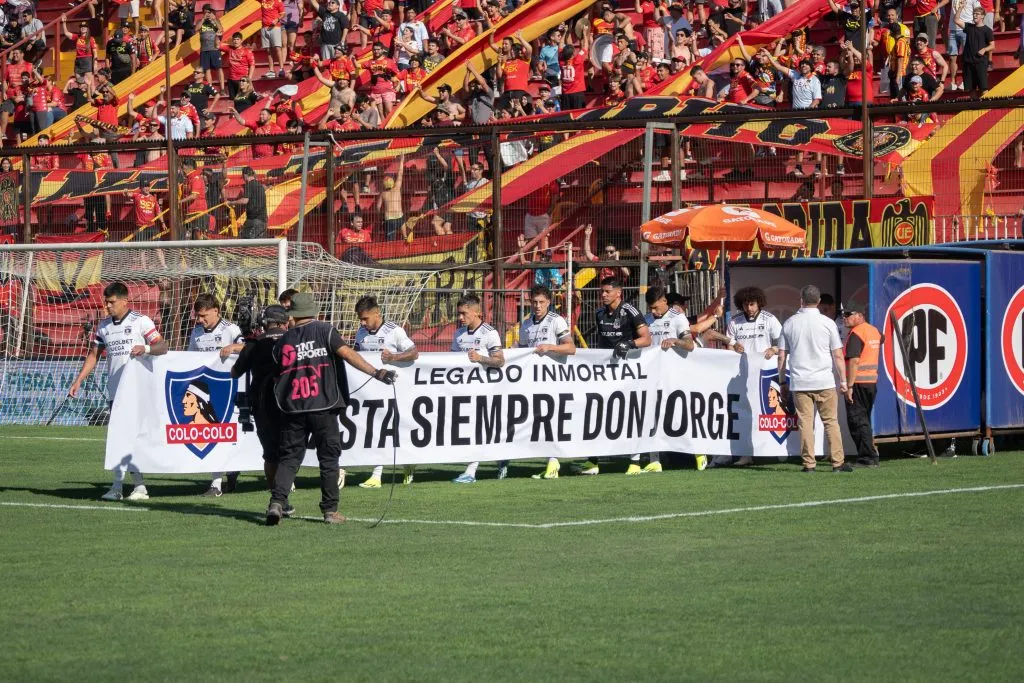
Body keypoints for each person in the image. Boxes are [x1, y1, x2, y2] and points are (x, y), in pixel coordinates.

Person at [267, 292, 396, 525]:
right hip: (323, 406)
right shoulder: (325, 331)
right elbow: (347, 354)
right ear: (313, 311)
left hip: (293, 408)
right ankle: (330, 511)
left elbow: (276, 375)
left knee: (289, 458)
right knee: (328, 459)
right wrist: (376, 373)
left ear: (294, 314)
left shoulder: (283, 342)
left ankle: (276, 503)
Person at [69, 282, 168, 501]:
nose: (108, 306)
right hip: (116, 392)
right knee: (121, 438)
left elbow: (164, 346)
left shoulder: (140, 321)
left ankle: (125, 486)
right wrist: (78, 381)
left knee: (127, 437)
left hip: (139, 391)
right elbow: (94, 355)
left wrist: (146, 348)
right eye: (106, 302)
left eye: (112, 302)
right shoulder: (104, 326)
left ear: (125, 301)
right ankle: (134, 486)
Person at [581, 276, 652, 476]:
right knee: (597, 412)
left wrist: (629, 344)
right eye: (602, 291)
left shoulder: (630, 311)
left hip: (630, 371)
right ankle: (593, 461)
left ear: (618, 293)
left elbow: (647, 339)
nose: (603, 295)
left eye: (607, 291)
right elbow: (602, 345)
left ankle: (635, 462)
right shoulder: (599, 313)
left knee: (631, 413)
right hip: (607, 372)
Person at [777, 285, 851, 473]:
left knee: (805, 424)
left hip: (800, 382)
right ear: (818, 301)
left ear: (801, 300)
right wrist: (843, 381)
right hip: (824, 380)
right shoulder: (828, 323)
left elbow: (781, 356)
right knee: (831, 422)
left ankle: (809, 464)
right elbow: (838, 355)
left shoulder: (789, 323)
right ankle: (837, 462)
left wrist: (782, 382)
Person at [352, 294, 419, 489]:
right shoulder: (361, 333)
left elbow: (414, 352)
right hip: (369, 389)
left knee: (394, 428)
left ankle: (406, 464)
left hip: (392, 388)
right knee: (375, 428)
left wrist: (394, 357)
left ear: (377, 313)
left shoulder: (394, 331)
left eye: (365, 318)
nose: (363, 323)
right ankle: (377, 474)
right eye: (361, 319)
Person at [231, 305, 291, 512]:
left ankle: (277, 500)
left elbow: (235, 372)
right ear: (286, 322)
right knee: (290, 452)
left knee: (270, 453)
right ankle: (281, 499)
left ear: (265, 322)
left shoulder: (254, 344)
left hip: (262, 401)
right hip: (292, 400)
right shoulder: (295, 340)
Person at [187, 293, 245, 496]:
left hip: (229, 389)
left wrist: (232, 347)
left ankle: (231, 469)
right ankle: (216, 484)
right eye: (198, 316)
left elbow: (246, 347)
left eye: (204, 316)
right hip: (207, 391)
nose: (201, 320)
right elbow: (189, 360)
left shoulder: (230, 329)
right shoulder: (196, 333)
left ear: (216, 311)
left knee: (228, 434)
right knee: (213, 433)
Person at [517, 284, 576, 480]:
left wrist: (550, 347)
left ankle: (553, 461)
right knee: (537, 419)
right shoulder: (525, 324)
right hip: (532, 379)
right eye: (534, 302)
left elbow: (571, 347)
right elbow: (522, 352)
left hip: (553, 377)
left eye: (541, 302)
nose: (537, 306)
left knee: (550, 417)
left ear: (549, 303)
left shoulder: (556, 321)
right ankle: (550, 461)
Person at [720, 285, 782, 466]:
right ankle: (746, 454)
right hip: (742, 376)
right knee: (745, 414)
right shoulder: (735, 321)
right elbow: (729, 345)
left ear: (759, 303)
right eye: (746, 305)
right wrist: (733, 348)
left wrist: (773, 349)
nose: (749, 308)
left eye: (752, 304)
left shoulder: (770, 319)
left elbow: (782, 342)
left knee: (766, 413)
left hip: (764, 374)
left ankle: (773, 450)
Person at [450, 293, 506, 484]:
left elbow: (500, 361)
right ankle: (502, 459)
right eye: (459, 314)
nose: (460, 318)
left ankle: (471, 471)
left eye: (464, 313)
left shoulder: (489, 333)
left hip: (486, 389)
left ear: (476, 313)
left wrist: (481, 358)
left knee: (481, 427)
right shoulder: (458, 334)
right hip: (464, 390)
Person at [643, 285, 694, 473]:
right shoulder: (648, 319)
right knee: (652, 415)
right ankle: (654, 458)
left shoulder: (677, 317)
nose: (653, 312)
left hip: (674, 375)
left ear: (665, 301)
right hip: (652, 375)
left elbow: (690, 345)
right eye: (651, 308)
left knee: (677, 415)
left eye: (656, 307)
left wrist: (675, 341)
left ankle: (695, 451)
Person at [841, 301, 881, 467]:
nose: (845, 318)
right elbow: (882, 339)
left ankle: (868, 458)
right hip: (871, 382)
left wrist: (849, 386)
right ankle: (869, 455)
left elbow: (854, 361)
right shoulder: (873, 331)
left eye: (848, 315)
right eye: (844, 315)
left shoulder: (856, 333)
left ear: (859, 315)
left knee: (857, 420)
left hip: (857, 383)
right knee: (863, 419)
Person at [958, 6, 995, 96]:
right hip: (968, 62)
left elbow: (992, 45)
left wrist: (984, 49)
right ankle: (974, 108)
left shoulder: (987, 30)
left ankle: (985, 108)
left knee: (984, 88)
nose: (974, 15)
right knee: (971, 89)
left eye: (977, 14)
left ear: (982, 16)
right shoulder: (969, 27)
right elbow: (956, 20)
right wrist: (960, 8)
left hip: (980, 62)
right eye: (974, 14)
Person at [230, 166, 268, 238]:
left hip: (253, 220)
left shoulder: (249, 185)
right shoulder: (260, 185)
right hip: (262, 220)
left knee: (245, 242)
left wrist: (231, 202)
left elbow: (245, 200)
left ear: (245, 175)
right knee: (257, 245)